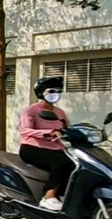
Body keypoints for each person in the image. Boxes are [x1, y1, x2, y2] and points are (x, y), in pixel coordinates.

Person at [16, 75, 72, 210]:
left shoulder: (59, 112)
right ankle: (48, 196)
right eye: (51, 91)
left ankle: (64, 195)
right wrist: (47, 132)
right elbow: (25, 131)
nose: (56, 94)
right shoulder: (31, 111)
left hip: (56, 148)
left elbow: (67, 128)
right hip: (32, 148)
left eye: (58, 91)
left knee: (77, 163)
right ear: (41, 93)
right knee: (62, 162)